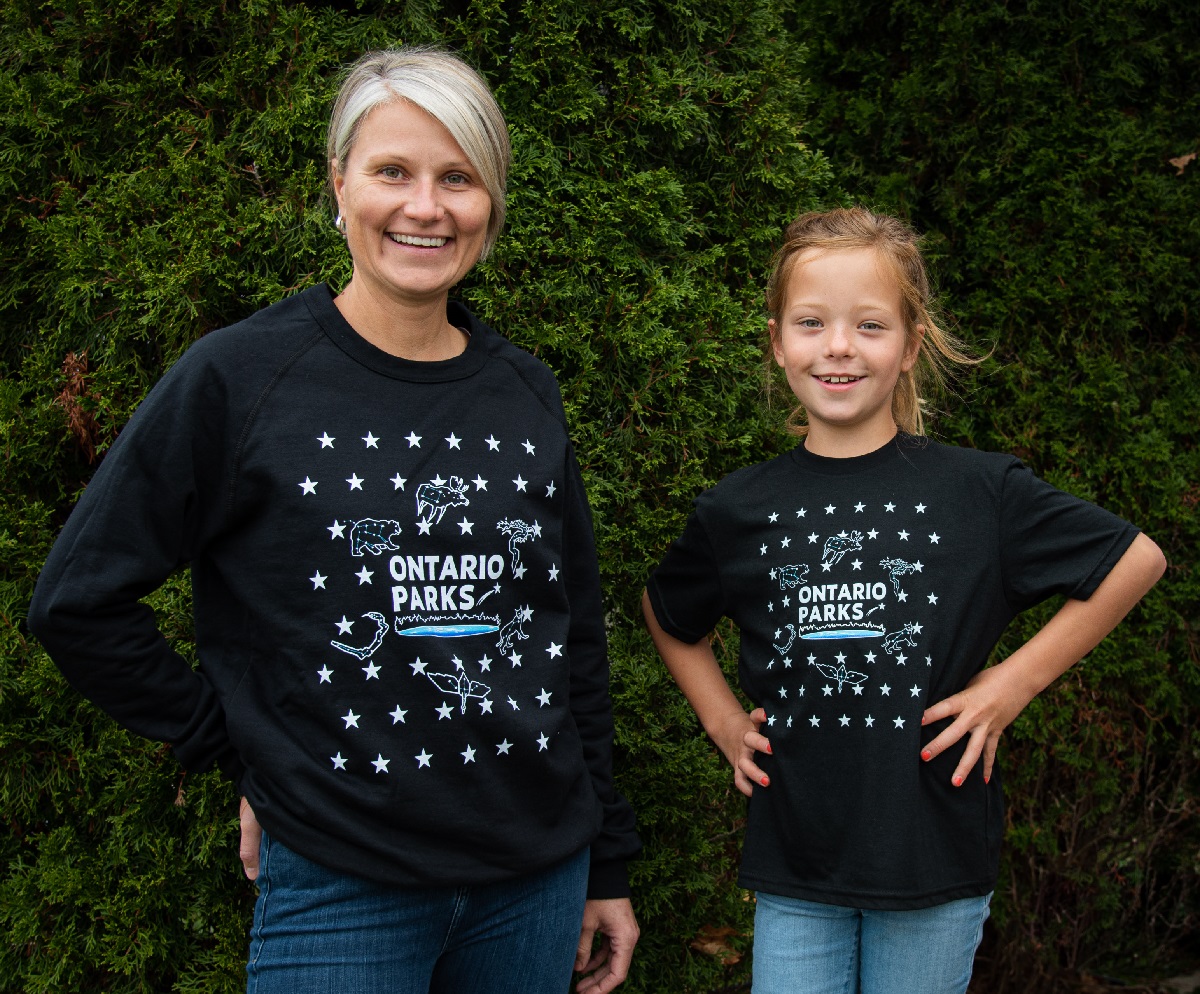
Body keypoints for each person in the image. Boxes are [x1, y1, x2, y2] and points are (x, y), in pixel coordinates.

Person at [28, 47, 640, 994]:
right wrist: (241, 752)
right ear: (338, 185)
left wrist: (604, 860)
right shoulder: (238, 378)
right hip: (342, 885)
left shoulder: (525, 391)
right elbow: (78, 600)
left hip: (537, 878)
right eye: (392, 170)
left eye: (458, 178)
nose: (425, 206)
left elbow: (573, 642)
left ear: (491, 201)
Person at [641, 207, 1165, 994]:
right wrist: (720, 720)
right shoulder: (738, 509)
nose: (839, 347)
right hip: (796, 862)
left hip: (934, 856)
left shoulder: (979, 490)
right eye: (811, 323)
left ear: (911, 344)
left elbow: (1136, 558)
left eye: (870, 325)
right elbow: (668, 612)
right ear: (778, 341)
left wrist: (1007, 687)